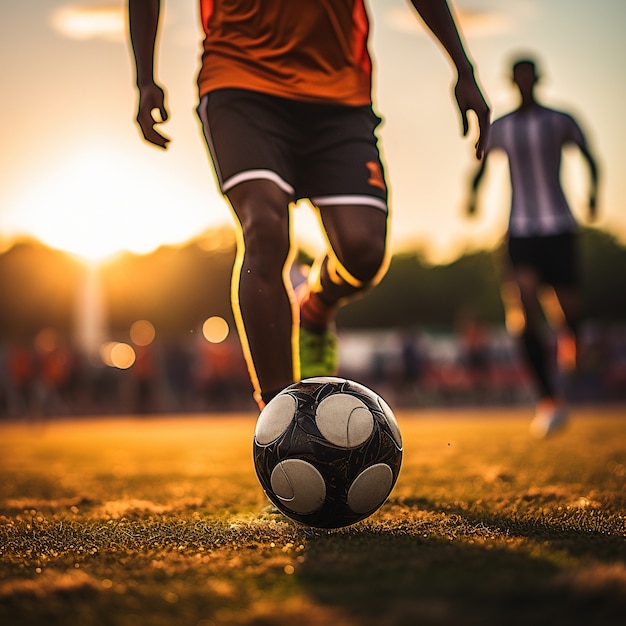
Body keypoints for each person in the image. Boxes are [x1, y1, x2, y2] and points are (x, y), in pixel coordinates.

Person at [128, 0, 490, 410]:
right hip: (241, 79)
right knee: (264, 230)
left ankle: (316, 306)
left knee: (363, 251)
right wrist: (144, 78)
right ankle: (282, 415)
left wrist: (464, 68)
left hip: (338, 92)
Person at [466, 56, 599, 438]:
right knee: (523, 305)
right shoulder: (503, 127)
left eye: (529, 77)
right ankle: (548, 400)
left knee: (568, 308)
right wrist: (472, 194)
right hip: (521, 230)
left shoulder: (560, 120)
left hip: (559, 226)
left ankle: (572, 338)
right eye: (518, 78)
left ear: (538, 79)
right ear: (512, 82)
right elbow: (481, 164)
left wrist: (592, 192)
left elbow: (589, 157)